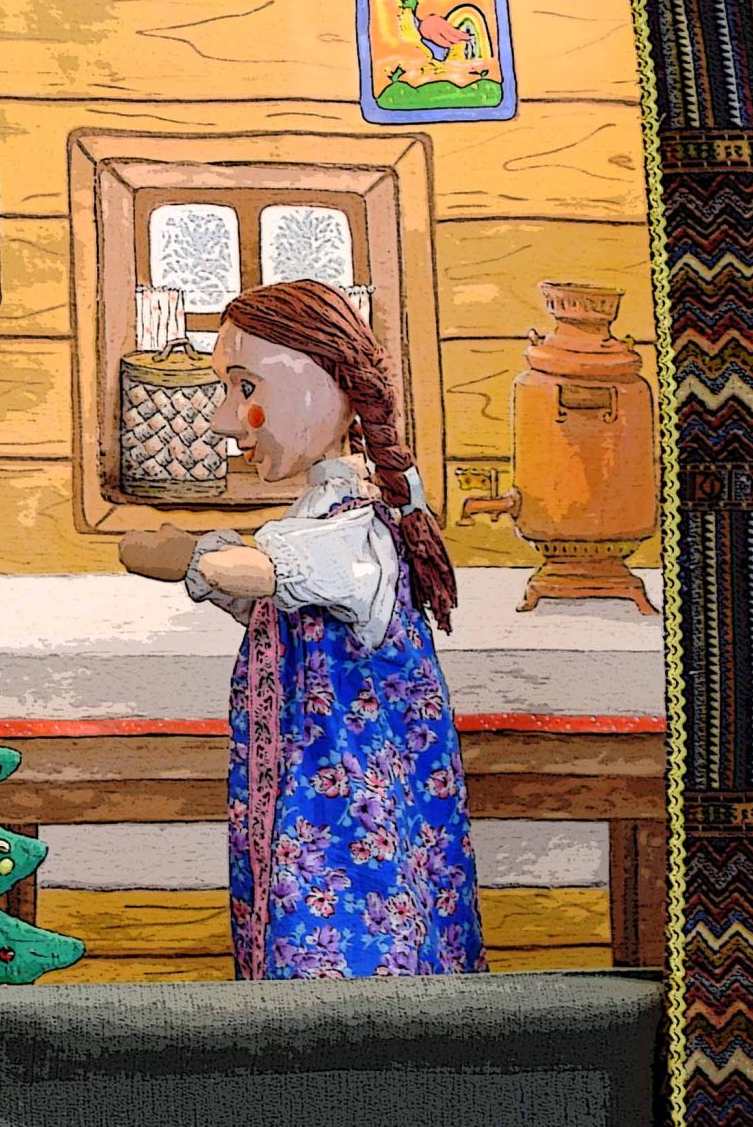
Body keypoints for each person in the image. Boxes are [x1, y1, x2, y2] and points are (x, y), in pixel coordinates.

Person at [120, 280, 485, 979]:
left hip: (344, 809)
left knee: (342, 953)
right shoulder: (319, 515)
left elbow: (268, 574)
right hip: (303, 790)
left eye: (244, 387)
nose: (225, 420)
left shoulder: (358, 522)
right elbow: (279, 605)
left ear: (321, 383)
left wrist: (189, 555)